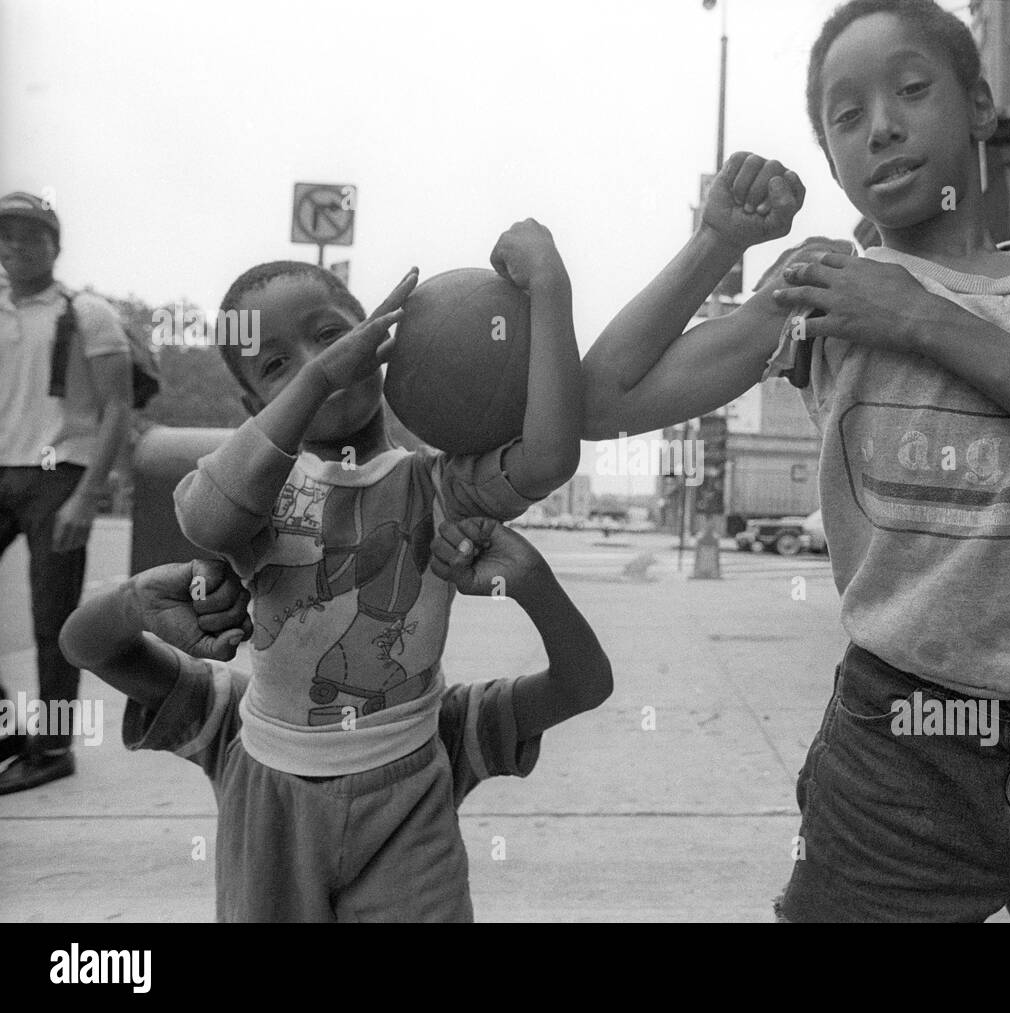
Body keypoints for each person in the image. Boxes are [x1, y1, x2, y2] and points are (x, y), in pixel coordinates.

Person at [582, 0, 1010, 922]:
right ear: (835, 160)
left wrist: (919, 317)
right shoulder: (822, 294)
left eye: (912, 90)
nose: (881, 124)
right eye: (846, 116)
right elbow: (606, 399)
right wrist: (718, 241)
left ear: (982, 107)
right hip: (901, 756)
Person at [159, 218, 587, 919]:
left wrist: (549, 283)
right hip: (272, 789)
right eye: (276, 366)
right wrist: (322, 373)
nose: (311, 363)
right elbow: (206, 519)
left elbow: (546, 458)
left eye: (329, 335)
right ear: (254, 408)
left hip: (408, 786)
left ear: (381, 335)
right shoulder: (261, 498)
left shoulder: (437, 486)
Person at [59, 519, 612, 921]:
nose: (346, 622)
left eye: (389, 611)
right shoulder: (237, 722)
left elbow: (584, 685)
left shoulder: (439, 729)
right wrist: (136, 601)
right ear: (257, 619)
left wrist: (532, 582)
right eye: (308, 603)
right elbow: (87, 647)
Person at [0, 191, 133, 792]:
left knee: (53, 622)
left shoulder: (86, 313)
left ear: (55, 245)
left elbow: (118, 406)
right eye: (7, 236)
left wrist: (89, 495)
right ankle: (6, 728)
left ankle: (52, 747)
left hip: (58, 477)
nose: (17, 247)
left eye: (31, 236)